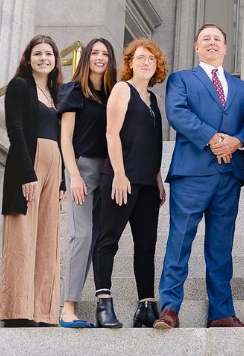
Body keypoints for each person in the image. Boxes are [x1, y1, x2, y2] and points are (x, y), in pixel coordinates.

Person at [154, 23, 244, 329]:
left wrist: (237, 141)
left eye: (217, 39)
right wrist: (214, 139)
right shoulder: (181, 79)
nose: (212, 43)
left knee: (221, 247)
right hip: (191, 173)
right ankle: (170, 308)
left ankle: (221, 313)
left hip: (229, 175)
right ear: (196, 47)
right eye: (206, 39)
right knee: (179, 241)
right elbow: (178, 113)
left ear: (226, 48)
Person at [92, 39, 167, 329]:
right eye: (140, 58)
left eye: (151, 59)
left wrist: (158, 178)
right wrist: (120, 174)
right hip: (120, 179)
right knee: (108, 239)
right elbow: (112, 135)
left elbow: (152, 143)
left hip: (148, 183)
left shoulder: (153, 99)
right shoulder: (122, 90)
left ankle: (146, 307)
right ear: (130, 63)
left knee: (146, 245)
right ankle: (103, 304)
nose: (146, 62)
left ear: (157, 65)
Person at [0, 35, 65, 327]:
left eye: (48, 54)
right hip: (28, 166)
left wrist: (62, 181)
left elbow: (62, 137)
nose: (43, 58)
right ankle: (17, 311)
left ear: (55, 60)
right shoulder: (20, 86)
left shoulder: (55, 92)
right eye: (37, 54)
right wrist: (27, 173)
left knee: (47, 239)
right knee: (22, 239)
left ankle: (42, 311)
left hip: (54, 168)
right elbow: (14, 129)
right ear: (28, 58)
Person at [57, 38, 116, 328]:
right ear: (86, 57)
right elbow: (65, 138)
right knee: (80, 235)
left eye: (105, 53)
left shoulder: (112, 94)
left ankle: (94, 304)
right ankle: (68, 308)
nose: (100, 57)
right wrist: (74, 176)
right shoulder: (73, 91)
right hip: (81, 166)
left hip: (107, 170)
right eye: (95, 52)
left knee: (97, 238)